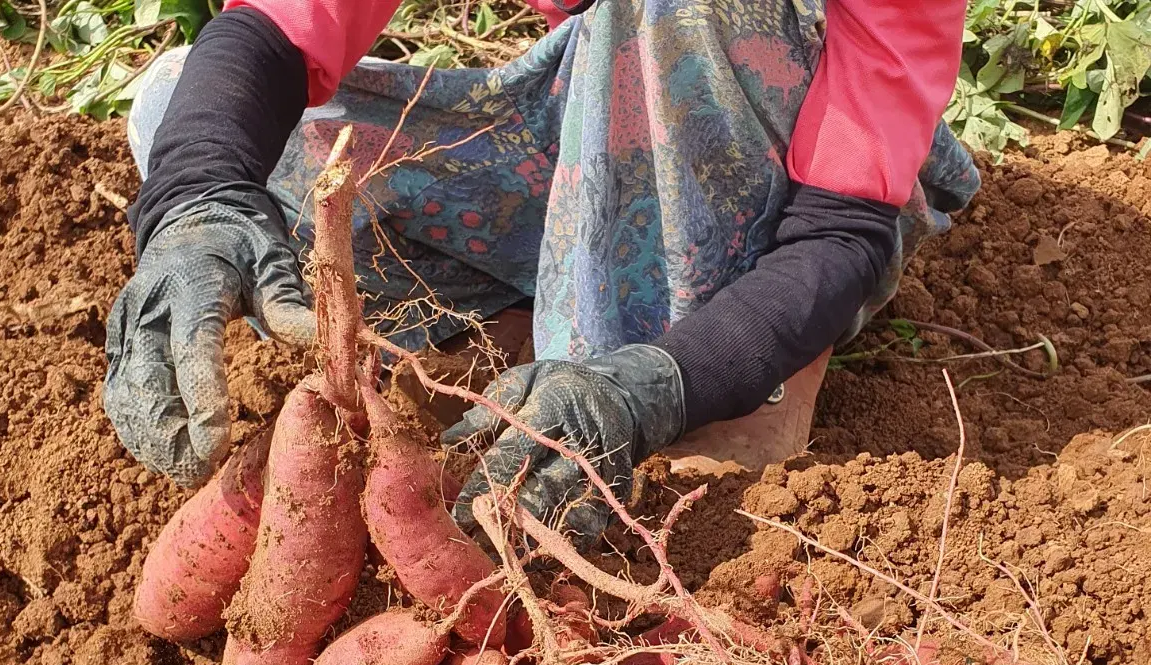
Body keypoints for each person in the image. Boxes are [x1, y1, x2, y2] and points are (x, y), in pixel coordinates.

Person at [106, 0, 979, 541]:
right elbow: (274, 31)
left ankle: (702, 385)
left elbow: (841, 231)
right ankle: (548, 323)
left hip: (794, 161)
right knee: (182, 107)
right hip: (592, 108)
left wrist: (655, 387)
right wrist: (194, 201)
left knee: (682, 11)